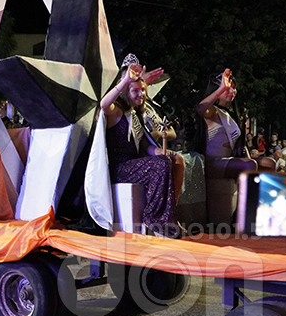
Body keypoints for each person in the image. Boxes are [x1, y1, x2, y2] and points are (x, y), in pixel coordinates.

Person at [100, 61, 180, 238]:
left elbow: (147, 147)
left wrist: (162, 152)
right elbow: (103, 105)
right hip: (119, 168)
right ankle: (154, 218)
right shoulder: (117, 111)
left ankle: (163, 218)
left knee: (166, 161)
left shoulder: (135, 115)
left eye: (143, 90)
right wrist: (124, 80)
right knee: (159, 166)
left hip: (133, 166)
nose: (141, 94)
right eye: (135, 90)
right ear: (126, 92)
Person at [196, 69, 276, 178]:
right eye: (227, 88)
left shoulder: (232, 114)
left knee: (269, 163)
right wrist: (221, 88)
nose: (231, 91)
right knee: (248, 165)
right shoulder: (212, 112)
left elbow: (241, 146)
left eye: (233, 88)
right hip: (214, 161)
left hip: (230, 159)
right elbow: (201, 108)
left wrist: (248, 157)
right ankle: (249, 194)